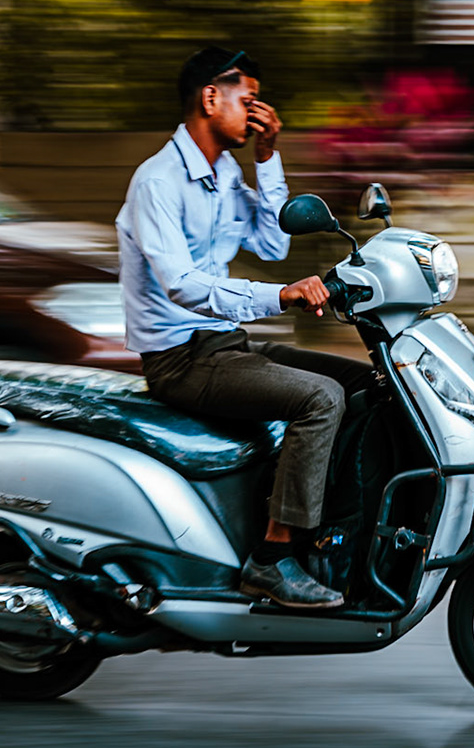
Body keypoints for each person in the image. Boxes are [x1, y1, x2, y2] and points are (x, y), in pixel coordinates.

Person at [117, 46, 374, 609]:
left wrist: (268, 156)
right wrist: (279, 295)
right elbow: (182, 284)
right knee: (320, 399)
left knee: (366, 385)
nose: (260, 110)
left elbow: (272, 242)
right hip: (181, 360)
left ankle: (333, 530)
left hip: (223, 346)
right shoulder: (158, 181)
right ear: (212, 98)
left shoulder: (227, 173)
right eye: (249, 99)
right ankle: (272, 559)